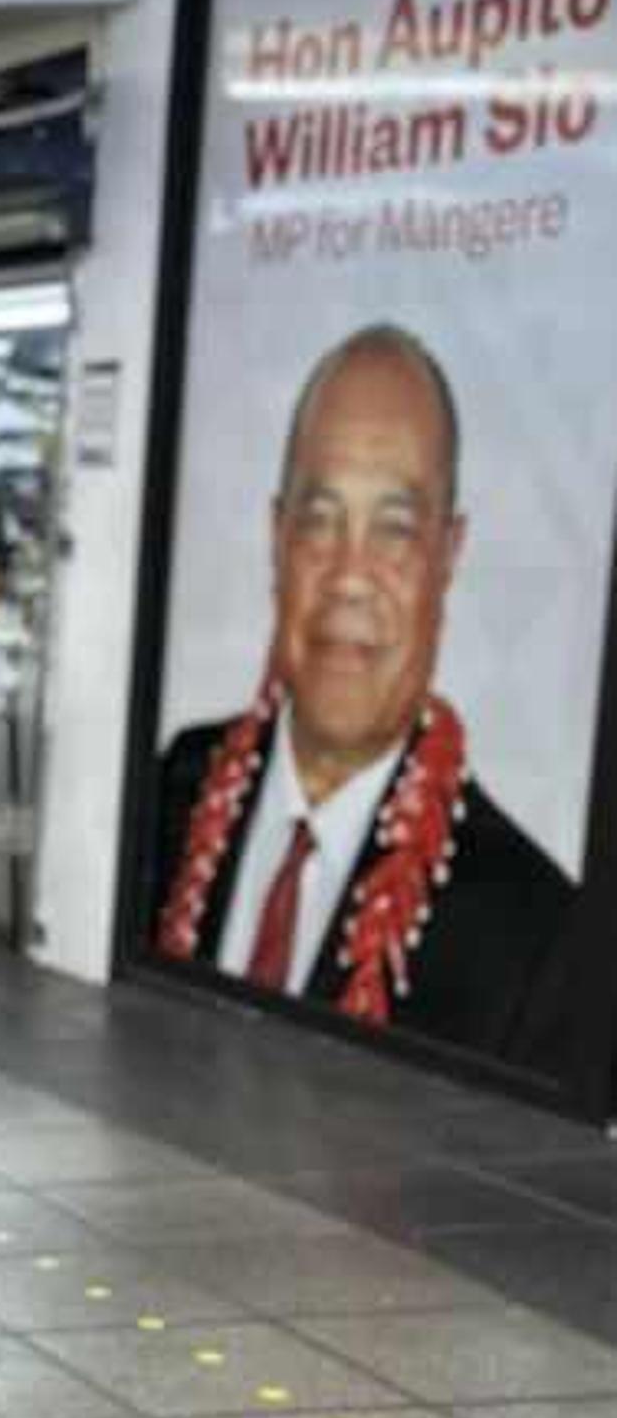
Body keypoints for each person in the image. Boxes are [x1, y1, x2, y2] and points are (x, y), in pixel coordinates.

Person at [151, 322, 573, 1053]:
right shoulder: (175, 786)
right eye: (319, 521)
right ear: (277, 538)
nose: (349, 576)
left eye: (396, 530)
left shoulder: (533, 930)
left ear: (448, 554)